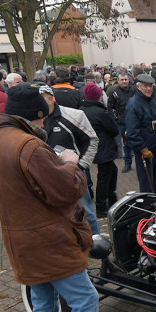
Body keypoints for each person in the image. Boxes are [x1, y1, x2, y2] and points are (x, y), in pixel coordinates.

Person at [0, 83, 137, 312]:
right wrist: (71, 167)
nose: (42, 124)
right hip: (51, 242)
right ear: (32, 116)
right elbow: (65, 192)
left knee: (43, 302)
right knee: (85, 300)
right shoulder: (30, 146)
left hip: (20, 242)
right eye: (40, 117)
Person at [39, 86, 100, 235]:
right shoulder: (34, 120)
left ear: (52, 98)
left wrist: (80, 166)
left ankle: (99, 248)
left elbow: (92, 140)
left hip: (74, 174)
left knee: (85, 211)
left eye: (44, 99)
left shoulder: (74, 115)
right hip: (47, 176)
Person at [125, 74, 156, 196]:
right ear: (138, 87)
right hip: (144, 151)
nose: (148, 89)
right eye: (145, 86)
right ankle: (149, 208)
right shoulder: (133, 104)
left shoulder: (155, 100)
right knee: (147, 184)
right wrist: (143, 149)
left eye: (150, 86)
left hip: (155, 148)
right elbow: (132, 132)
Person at [81, 83, 120, 217]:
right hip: (103, 148)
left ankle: (111, 198)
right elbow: (114, 130)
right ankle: (102, 207)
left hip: (90, 148)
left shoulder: (81, 110)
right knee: (104, 177)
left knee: (112, 172)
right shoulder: (101, 112)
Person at [107, 72, 136, 173]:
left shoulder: (134, 89)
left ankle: (141, 163)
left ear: (128, 80)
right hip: (122, 122)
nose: (124, 81)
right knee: (127, 144)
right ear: (118, 81)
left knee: (138, 142)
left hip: (135, 121)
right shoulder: (113, 92)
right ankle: (127, 164)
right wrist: (115, 119)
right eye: (122, 80)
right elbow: (109, 107)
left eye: (126, 79)